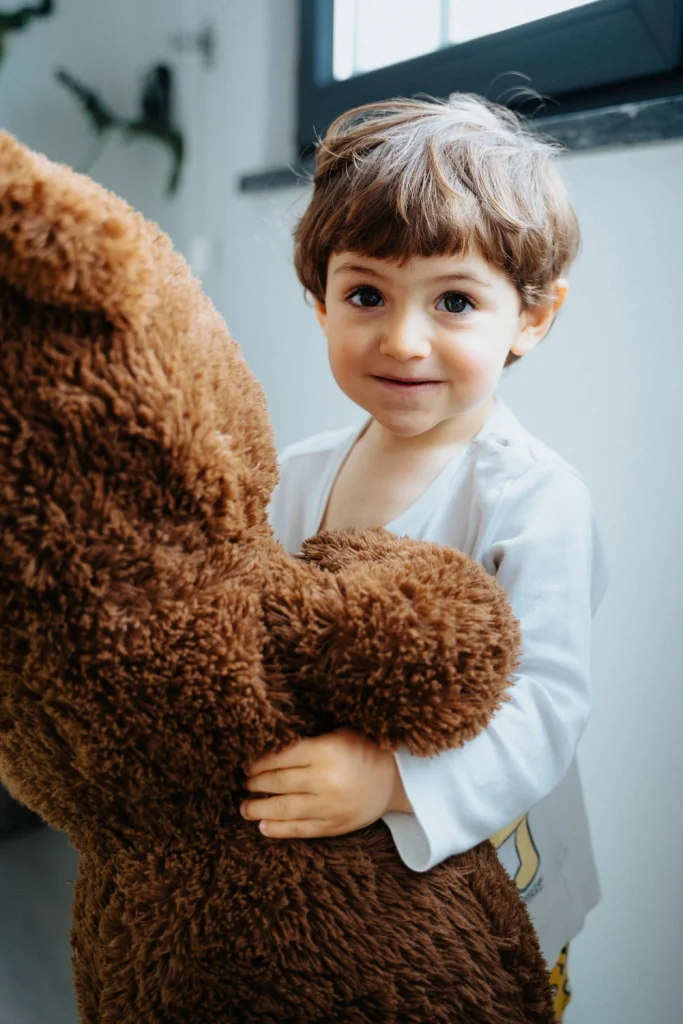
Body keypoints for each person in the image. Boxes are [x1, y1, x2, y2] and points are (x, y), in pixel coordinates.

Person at [240, 94, 609, 1022]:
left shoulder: (532, 497)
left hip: (491, 903)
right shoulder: (294, 477)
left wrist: (394, 780)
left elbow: (546, 706)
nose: (403, 340)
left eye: (453, 300)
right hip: (332, 893)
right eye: (366, 294)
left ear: (530, 316)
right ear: (318, 301)